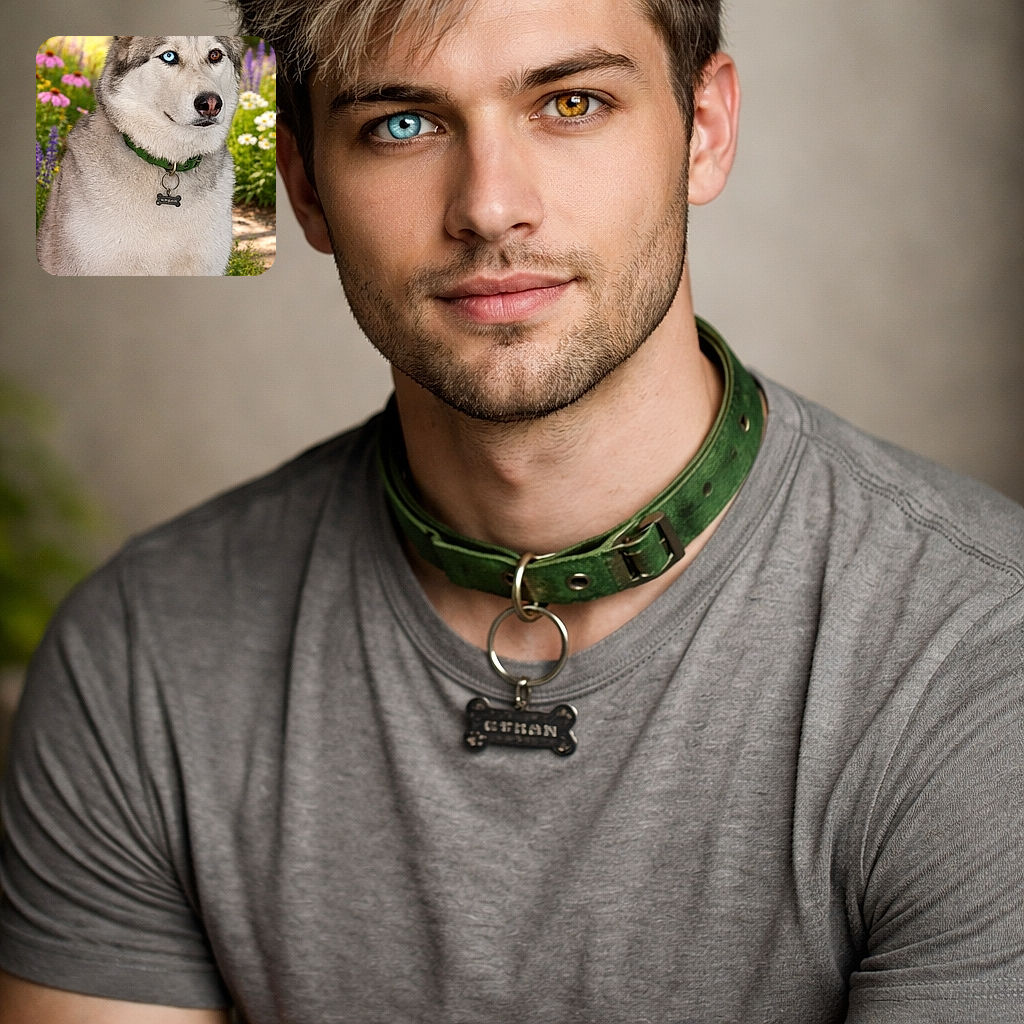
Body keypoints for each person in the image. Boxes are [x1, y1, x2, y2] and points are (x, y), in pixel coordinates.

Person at [2, 0, 1022, 1019]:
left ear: (703, 129)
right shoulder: (140, 653)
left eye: (571, 102)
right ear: (303, 184)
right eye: (399, 123)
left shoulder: (980, 651)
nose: (490, 207)